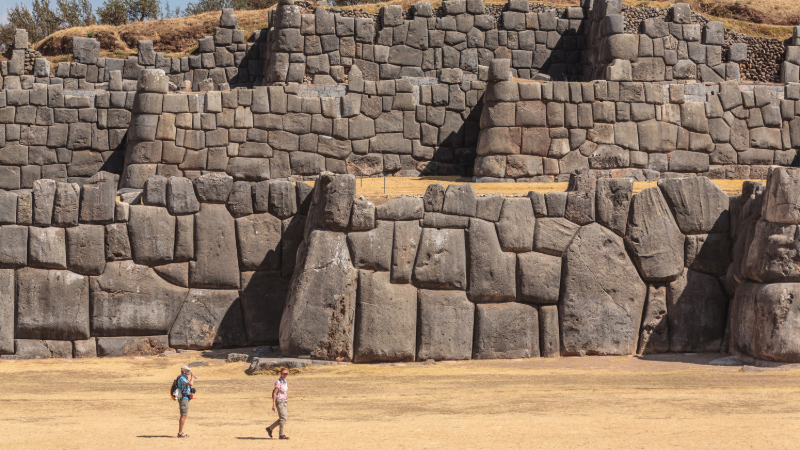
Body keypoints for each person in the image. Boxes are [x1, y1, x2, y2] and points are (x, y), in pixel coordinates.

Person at [266, 368, 289, 439]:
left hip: (284, 401)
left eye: (286, 374)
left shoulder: (285, 382)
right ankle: (281, 435)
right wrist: (274, 404)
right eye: (284, 373)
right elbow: (275, 393)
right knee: (283, 418)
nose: (285, 375)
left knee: (283, 418)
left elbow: (285, 392)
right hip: (279, 401)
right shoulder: (278, 382)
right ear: (281, 374)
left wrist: (286, 401)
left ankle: (270, 428)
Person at [177, 365, 196, 438]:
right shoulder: (182, 378)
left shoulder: (184, 377)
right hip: (183, 398)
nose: (189, 371)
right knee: (183, 415)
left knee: (184, 415)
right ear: (184, 371)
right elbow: (191, 383)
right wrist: (192, 377)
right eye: (187, 370)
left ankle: (180, 432)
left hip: (186, 397)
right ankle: (180, 433)